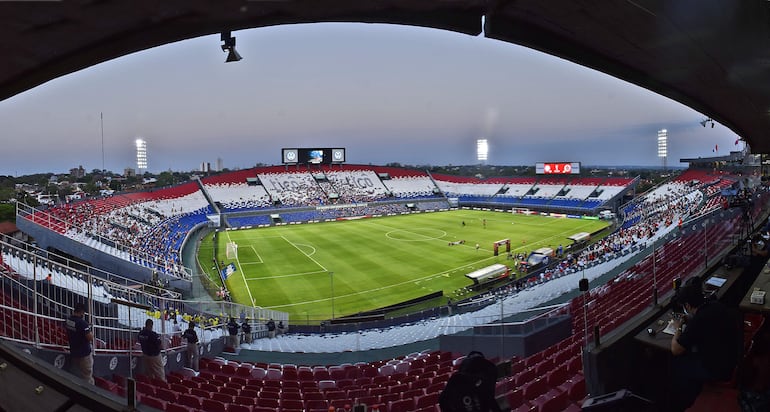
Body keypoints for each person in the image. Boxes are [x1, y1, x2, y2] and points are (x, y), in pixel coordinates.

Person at [668, 284, 742, 411]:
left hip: (719, 370)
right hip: (733, 356)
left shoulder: (698, 321)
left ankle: (685, 402)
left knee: (677, 365)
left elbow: (676, 349)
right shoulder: (715, 305)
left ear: (687, 306)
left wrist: (678, 327)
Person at [65, 302, 94, 385]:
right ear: (82, 312)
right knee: (87, 375)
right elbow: (90, 337)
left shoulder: (68, 320)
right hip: (84, 354)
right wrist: (89, 330)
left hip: (74, 351)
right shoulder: (83, 324)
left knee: (76, 373)